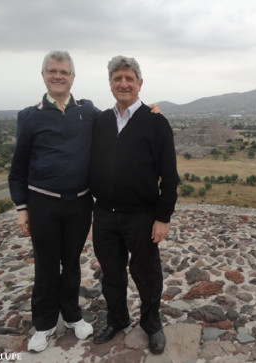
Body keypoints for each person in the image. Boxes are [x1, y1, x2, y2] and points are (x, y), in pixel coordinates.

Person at [8, 50, 98, 353]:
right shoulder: (30, 116)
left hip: (80, 203)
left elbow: (119, 122)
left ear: (73, 77)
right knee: (46, 266)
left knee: (72, 264)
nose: (58, 76)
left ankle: (72, 316)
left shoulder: (88, 112)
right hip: (43, 203)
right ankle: (44, 324)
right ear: (43, 75)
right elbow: (18, 167)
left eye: (64, 71)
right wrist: (22, 207)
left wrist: (146, 112)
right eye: (52, 71)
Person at [89, 56, 179, 354]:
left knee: (147, 274)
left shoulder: (156, 121)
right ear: (111, 83)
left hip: (142, 216)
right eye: (118, 79)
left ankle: (152, 324)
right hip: (104, 215)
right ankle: (117, 319)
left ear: (140, 83)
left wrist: (162, 218)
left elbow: (170, 175)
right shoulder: (100, 121)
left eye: (129, 78)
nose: (123, 84)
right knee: (111, 273)